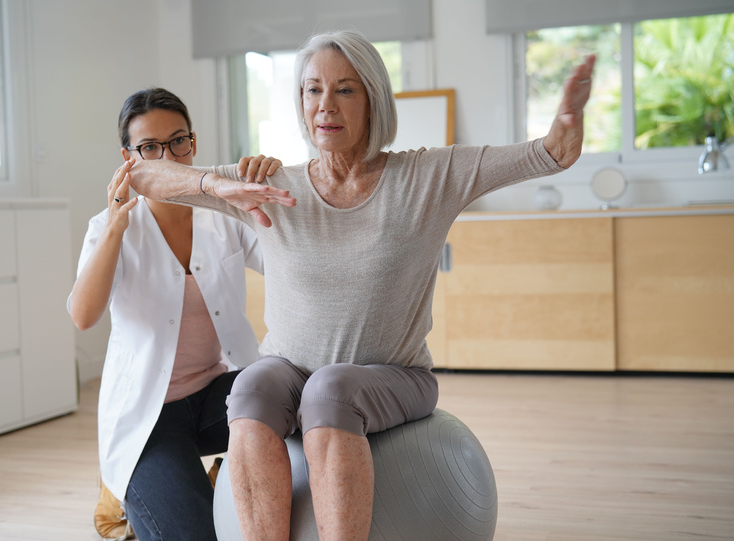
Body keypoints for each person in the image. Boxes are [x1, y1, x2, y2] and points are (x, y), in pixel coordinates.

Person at [126, 30, 596, 541]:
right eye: (312, 90)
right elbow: (143, 177)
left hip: (393, 375)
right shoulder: (271, 183)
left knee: (330, 389)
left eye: (345, 90)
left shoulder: (427, 177)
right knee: (251, 385)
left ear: (373, 100)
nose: (325, 106)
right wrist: (213, 184)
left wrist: (565, 130)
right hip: (291, 371)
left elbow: (549, 154)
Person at [67, 87, 281, 541]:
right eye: (149, 147)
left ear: (194, 143)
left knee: (294, 401)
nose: (166, 156)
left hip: (219, 396)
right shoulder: (109, 229)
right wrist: (114, 228)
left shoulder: (224, 214)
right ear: (128, 157)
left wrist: (272, 190)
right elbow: (83, 315)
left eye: (177, 141)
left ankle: (224, 475)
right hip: (148, 418)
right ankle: (130, 493)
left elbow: (290, 264)